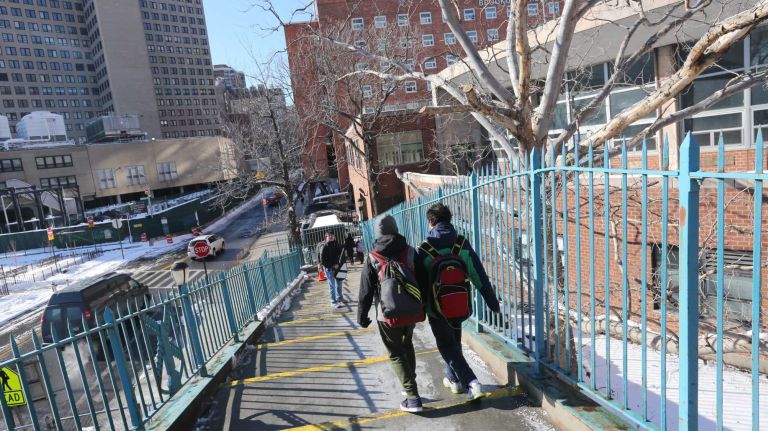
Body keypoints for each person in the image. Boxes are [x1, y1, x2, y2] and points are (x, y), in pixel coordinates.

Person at [416, 203, 500, 401]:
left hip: (436, 310)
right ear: (449, 220)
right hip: (460, 305)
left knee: (446, 346)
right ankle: (454, 380)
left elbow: (420, 282)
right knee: (454, 342)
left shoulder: (424, 248)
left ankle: (472, 383)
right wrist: (493, 304)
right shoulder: (461, 243)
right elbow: (479, 276)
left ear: (431, 222)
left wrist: (419, 309)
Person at [358, 215, 425, 413]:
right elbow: (422, 279)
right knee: (407, 344)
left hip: (386, 315)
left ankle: (412, 397)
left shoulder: (372, 257)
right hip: (411, 311)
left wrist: (362, 316)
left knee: (395, 352)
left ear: (378, 234)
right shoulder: (410, 251)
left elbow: (365, 290)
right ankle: (409, 386)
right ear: (395, 230)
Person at [317, 232, 346, 308]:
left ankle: (339, 298)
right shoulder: (324, 246)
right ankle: (333, 302)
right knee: (332, 285)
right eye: (329, 236)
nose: (331, 237)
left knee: (339, 283)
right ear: (325, 237)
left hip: (337, 268)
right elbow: (323, 260)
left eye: (332, 235)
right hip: (329, 269)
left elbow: (340, 254)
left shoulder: (335, 244)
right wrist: (332, 266)